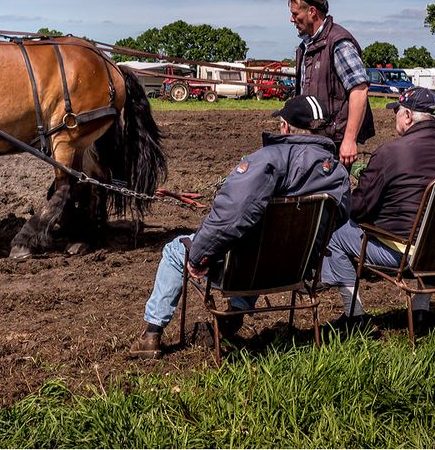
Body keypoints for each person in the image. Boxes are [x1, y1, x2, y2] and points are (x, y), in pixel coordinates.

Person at [129, 95, 351, 359]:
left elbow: (228, 217)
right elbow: (338, 221)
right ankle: (233, 318)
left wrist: (199, 254)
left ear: (286, 127)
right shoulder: (337, 172)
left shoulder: (269, 160)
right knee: (261, 245)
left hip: (246, 270)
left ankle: (152, 334)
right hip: (296, 270)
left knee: (176, 251)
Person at [320, 87, 435, 331]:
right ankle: (421, 311)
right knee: (434, 230)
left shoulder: (391, 152)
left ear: (408, 117)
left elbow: (359, 209)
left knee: (335, 233)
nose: (395, 118)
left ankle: (354, 315)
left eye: (397, 112)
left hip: (407, 255)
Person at [289, 0, 373, 168]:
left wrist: (350, 140)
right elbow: (305, 91)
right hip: (312, 138)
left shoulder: (338, 43)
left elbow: (359, 90)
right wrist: (290, 119)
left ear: (312, 12)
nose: (291, 19)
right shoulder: (306, 47)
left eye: (295, 14)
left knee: (332, 192)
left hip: (333, 141)